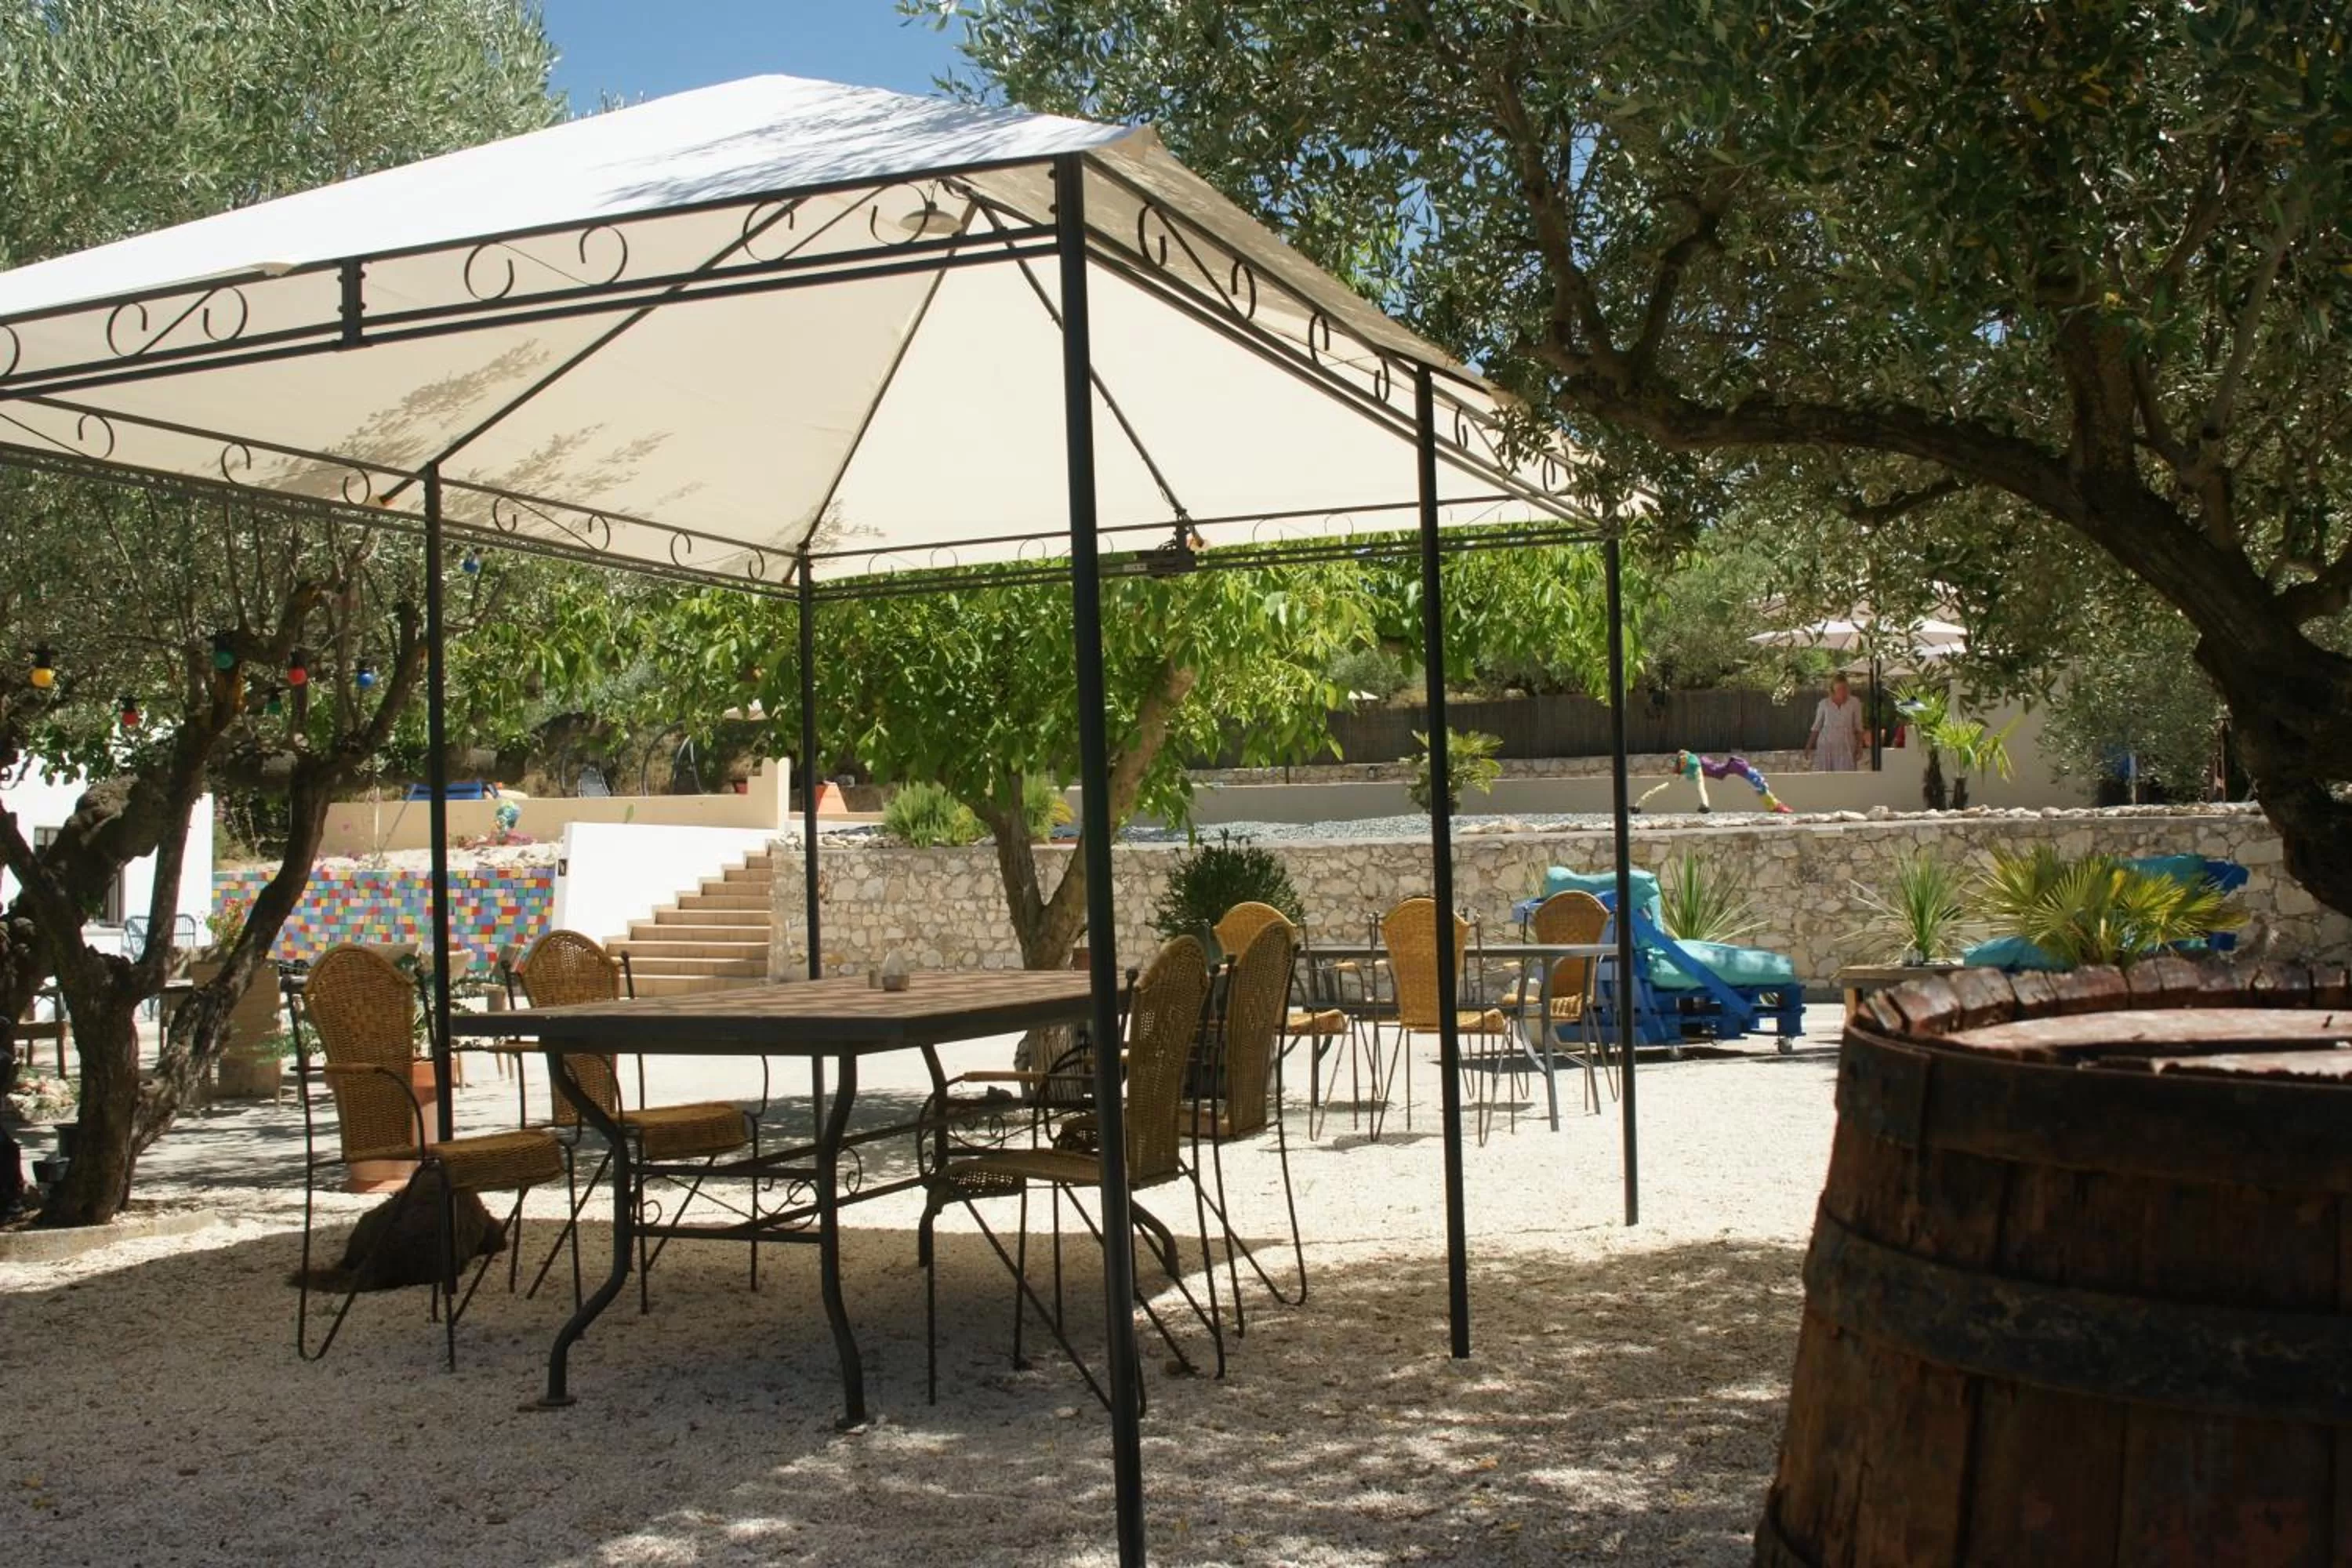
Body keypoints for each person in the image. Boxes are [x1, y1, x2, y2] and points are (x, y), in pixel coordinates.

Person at [1807, 675, 1867, 771]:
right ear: (1833, 689)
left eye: (1844, 688)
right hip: (1826, 746)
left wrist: (1859, 747)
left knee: (1846, 777)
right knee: (1826, 777)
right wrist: (1808, 746)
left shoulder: (1854, 702)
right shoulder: (1824, 704)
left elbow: (1859, 726)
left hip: (1846, 745)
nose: (1842, 691)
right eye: (1839, 689)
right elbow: (1816, 726)